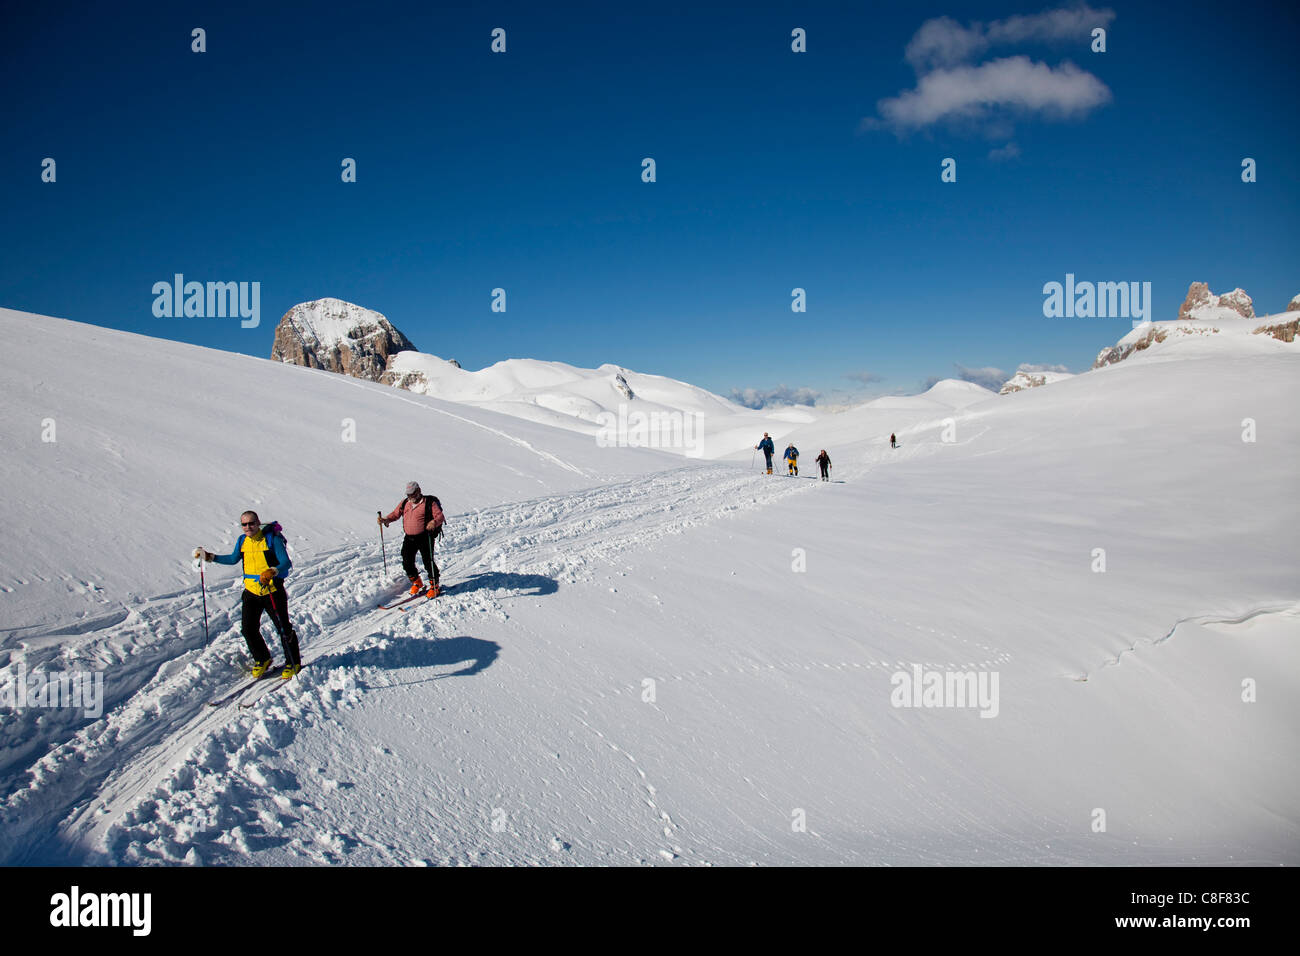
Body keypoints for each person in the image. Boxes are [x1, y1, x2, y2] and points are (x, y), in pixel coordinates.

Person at [196, 511, 303, 679]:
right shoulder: (242, 541)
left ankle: (293, 662)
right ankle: (263, 659)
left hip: (272, 591)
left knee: (283, 628)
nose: (248, 527)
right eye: (244, 524)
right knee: (248, 629)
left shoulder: (271, 540)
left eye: (251, 523)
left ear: (258, 522)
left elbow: (285, 563)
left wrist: (272, 571)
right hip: (251, 592)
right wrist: (210, 557)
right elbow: (232, 559)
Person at [380, 481, 445, 597]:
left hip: (425, 537)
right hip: (409, 537)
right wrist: (386, 520)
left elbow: (440, 516)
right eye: (408, 495)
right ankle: (417, 582)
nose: (410, 497)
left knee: (428, 561)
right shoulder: (405, 503)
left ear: (418, 491)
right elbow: (396, 514)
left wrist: (433, 522)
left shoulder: (429, 503)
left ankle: (435, 586)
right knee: (406, 560)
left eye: (412, 494)